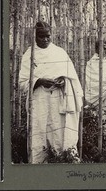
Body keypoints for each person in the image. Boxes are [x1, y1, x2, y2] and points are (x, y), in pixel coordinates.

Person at [19, 21, 83, 164]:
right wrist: (39, 81)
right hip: (39, 100)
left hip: (59, 100)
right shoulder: (29, 55)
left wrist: (64, 81)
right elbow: (22, 83)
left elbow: (72, 77)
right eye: (42, 36)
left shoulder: (60, 53)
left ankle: (64, 160)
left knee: (60, 133)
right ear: (35, 36)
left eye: (48, 36)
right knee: (39, 132)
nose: (46, 39)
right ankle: (39, 166)